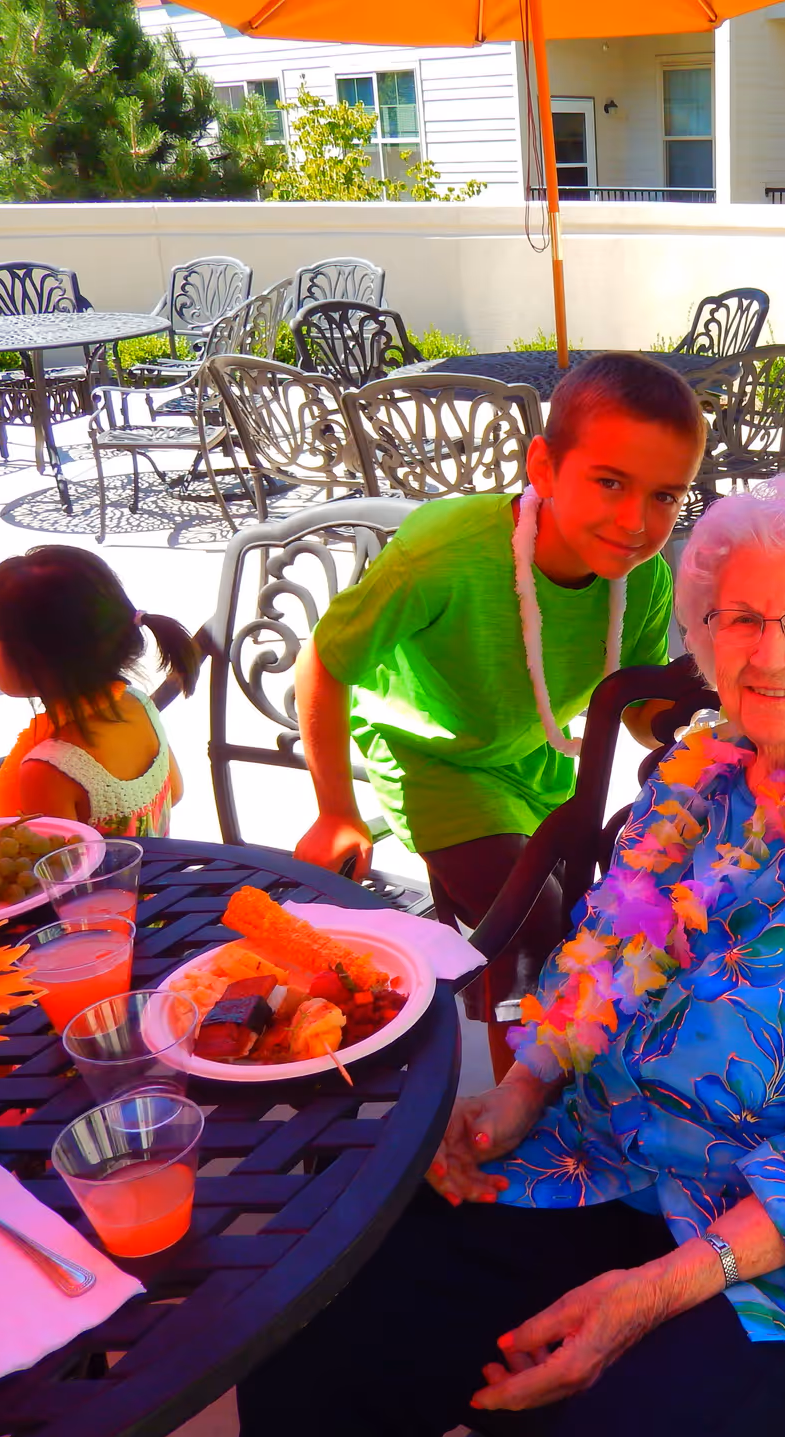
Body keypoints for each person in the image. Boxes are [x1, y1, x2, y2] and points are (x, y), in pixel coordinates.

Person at [239, 475, 785, 1437]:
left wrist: (645, 1297)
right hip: (600, 1159)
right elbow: (602, 952)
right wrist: (515, 1097)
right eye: (739, 618)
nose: (770, 653)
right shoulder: (699, 774)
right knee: (314, 1340)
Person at [292, 352, 702, 1078]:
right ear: (542, 467)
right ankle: (512, 1121)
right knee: (532, 928)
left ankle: (533, 1055)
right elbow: (322, 662)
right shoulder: (439, 555)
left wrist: (704, 728)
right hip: (433, 759)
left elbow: (634, 708)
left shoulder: (644, 581)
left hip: (538, 760)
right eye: (610, 482)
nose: (637, 522)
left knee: (594, 919)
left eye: (666, 497)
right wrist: (334, 810)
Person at [0, 546, 199, 837]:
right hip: (163, 872)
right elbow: (175, 792)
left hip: (109, 884)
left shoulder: (47, 769)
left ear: (35, 659)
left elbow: (56, 872)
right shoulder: (140, 704)